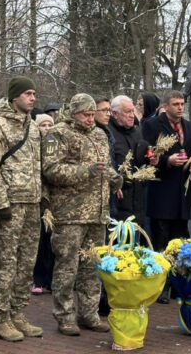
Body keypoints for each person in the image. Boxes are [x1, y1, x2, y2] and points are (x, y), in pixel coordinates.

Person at [42, 93, 122, 336]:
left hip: (97, 213)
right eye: (85, 115)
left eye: (92, 114)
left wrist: (113, 179)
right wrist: (85, 171)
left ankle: (89, 314)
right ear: (73, 113)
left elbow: (103, 166)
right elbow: (51, 170)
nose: (90, 119)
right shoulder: (60, 133)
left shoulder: (99, 135)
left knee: (92, 267)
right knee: (67, 267)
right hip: (70, 213)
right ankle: (64, 316)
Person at [0, 76, 43, 342]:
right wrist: (2, 201)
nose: (32, 98)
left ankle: (18, 313)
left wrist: (43, 198)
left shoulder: (32, 125)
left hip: (32, 202)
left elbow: (37, 165)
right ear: (14, 96)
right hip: (11, 204)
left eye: (33, 93)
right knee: (6, 264)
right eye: (27, 93)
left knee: (26, 264)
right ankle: (1, 318)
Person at [142, 90, 191, 304]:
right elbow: (147, 153)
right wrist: (166, 159)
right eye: (175, 104)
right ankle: (161, 286)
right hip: (162, 191)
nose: (180, 107)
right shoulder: (153, 125)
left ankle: (178, 283)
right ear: (165, 106)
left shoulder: (190, 126)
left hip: (183, 192)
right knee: (161, 239)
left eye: (182, 103)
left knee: (180, 240)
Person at [107, 95, 148, 225]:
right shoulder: (107, 133)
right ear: (114, 114)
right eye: (127, 112)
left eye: (133, 111)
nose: (132, 115)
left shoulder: (137, 132)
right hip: (117, 200)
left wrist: (152, 160)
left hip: (137, 201)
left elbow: (141, 162)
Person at [32, 113, 55, 295]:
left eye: (49, 124)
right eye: (43, 125)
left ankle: (50, 279)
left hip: (55, 200)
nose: (46, 128)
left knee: (52, 241)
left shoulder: (56, 146)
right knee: (39, 240)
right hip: (38, 198)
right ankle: (37, 279)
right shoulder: (33, 146)